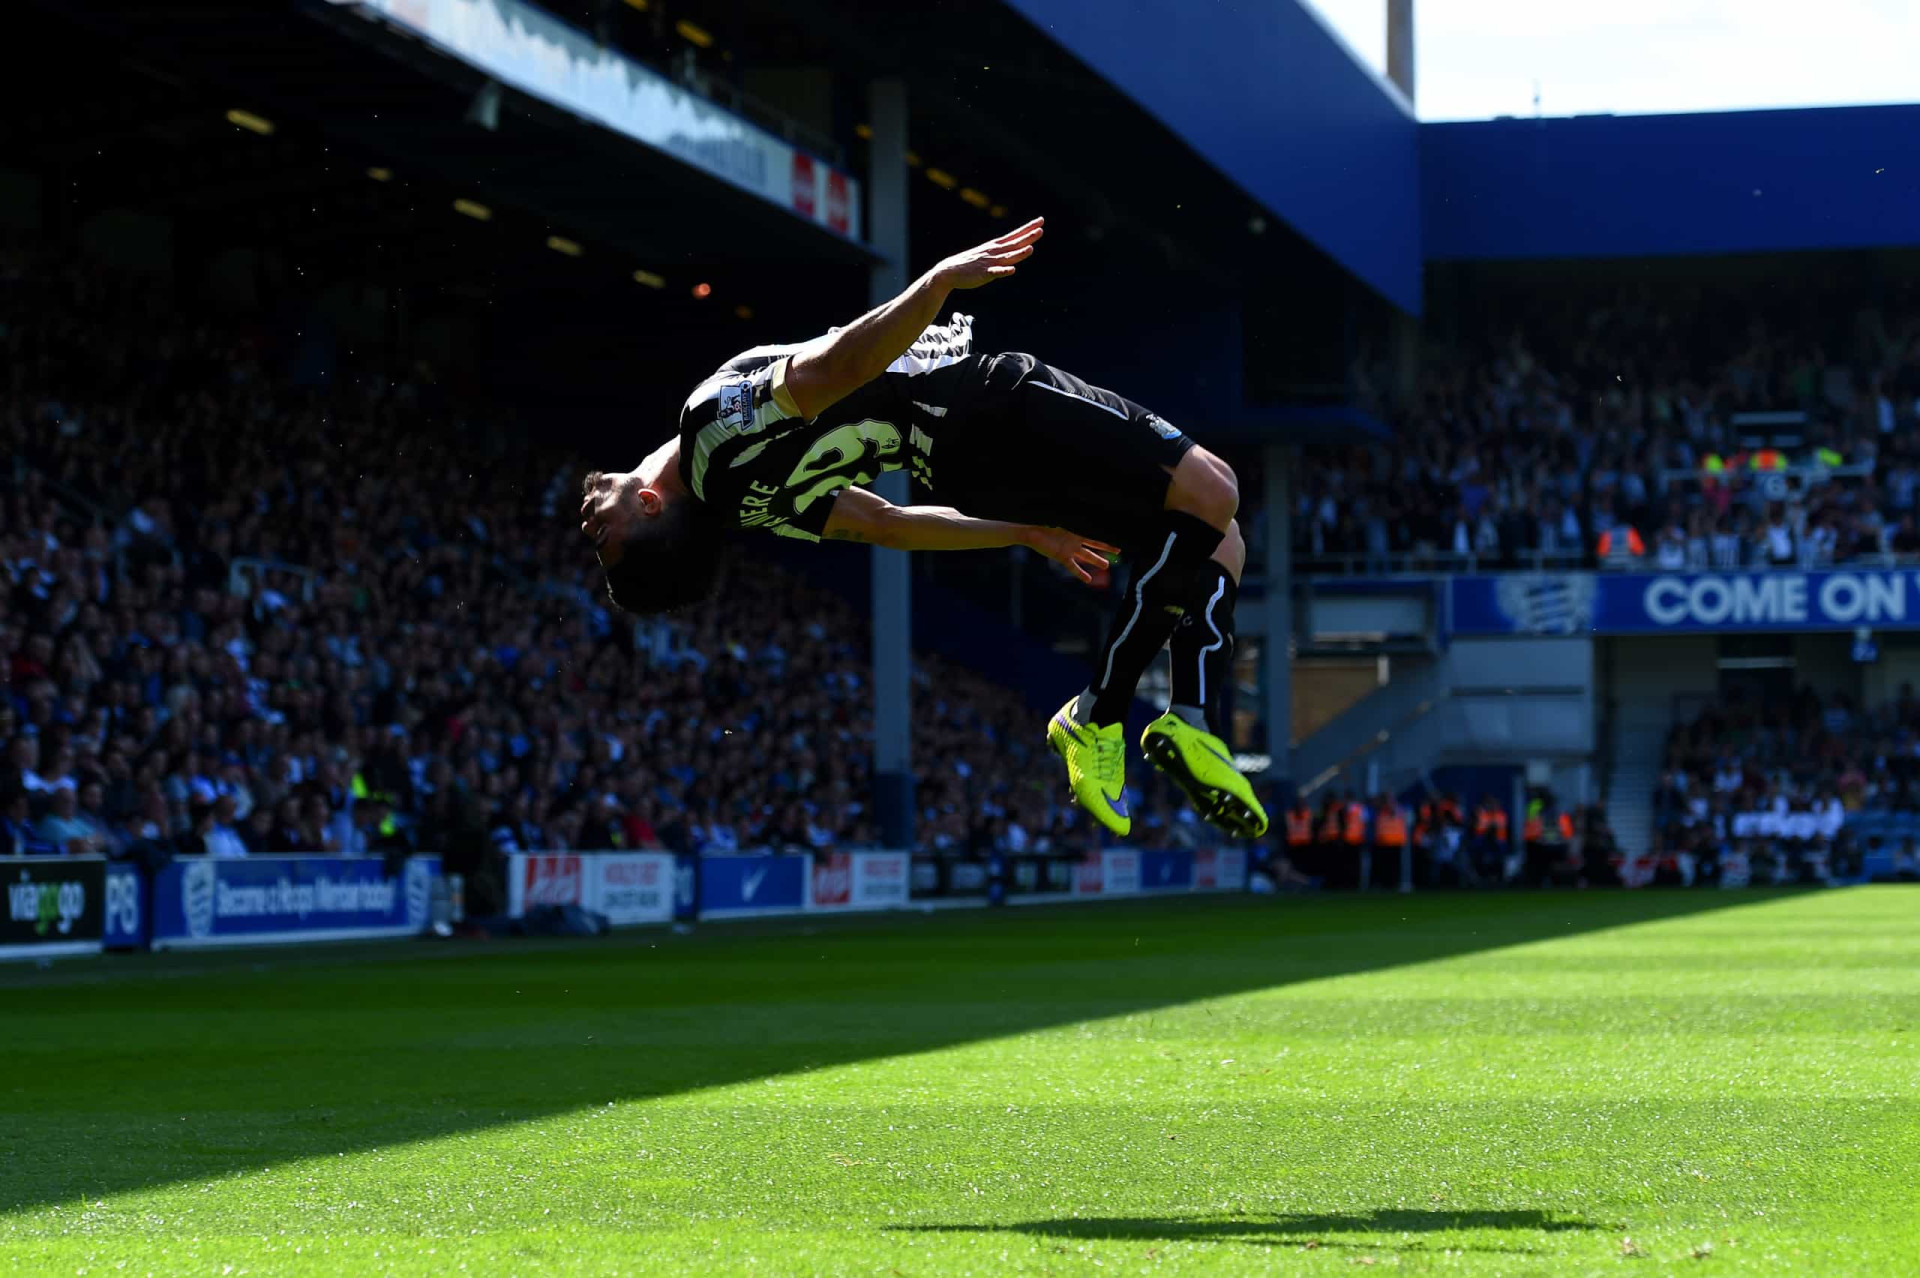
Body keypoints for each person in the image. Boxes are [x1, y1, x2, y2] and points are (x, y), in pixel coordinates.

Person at [580, 218, 1264, 841]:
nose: (588, 524)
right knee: (1215, 488)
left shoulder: (749, 506)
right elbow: (838, 369)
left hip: (962, 468)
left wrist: (1025, 531)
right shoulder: (711, 429)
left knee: (1219, 534)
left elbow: (889, 523)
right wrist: (937, 281)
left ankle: (1190, 718)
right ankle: (1103, 710)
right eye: (602, 538)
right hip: (977, 405)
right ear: (647, 505)